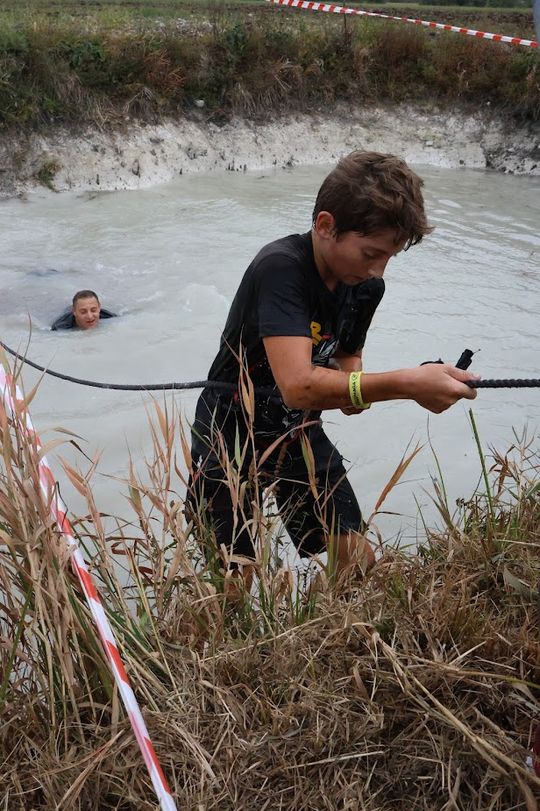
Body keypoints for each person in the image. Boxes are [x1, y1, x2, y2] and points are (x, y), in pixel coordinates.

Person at [188, 151, 479, 593]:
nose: (377, 269)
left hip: (296, 430)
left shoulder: (366, 286)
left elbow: (348, 362)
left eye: (389, 256)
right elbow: (299, 384)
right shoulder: (281, 267)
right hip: (229, 427)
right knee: (235, 578)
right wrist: (406, 384)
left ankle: (318, 638)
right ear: (325, 226)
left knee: (356, 561)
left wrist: (364, 390)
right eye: (370, 253)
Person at [51, 290, 116, 331]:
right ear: (74, 312)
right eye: (83, 312)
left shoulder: (110, 316)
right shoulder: (60, 327)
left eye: (93, 310)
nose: (90, 316)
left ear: (99, 308)